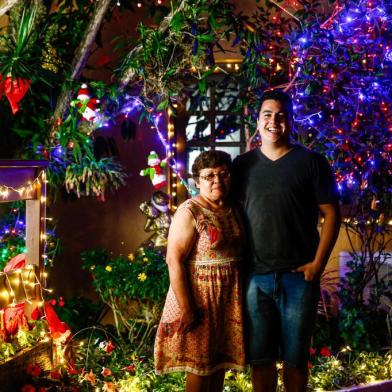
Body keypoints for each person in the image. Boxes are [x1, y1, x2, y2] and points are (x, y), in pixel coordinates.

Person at [231, 90, 341, 392]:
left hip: (299, 277)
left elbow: (332, 214)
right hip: (255, 278)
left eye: (281, 115)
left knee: (296, 362)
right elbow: (225, 212)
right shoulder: (241, 166)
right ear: (257, 121)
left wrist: (318, 265)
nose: (273, 121)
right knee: (261, 361)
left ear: (290, 122)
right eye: (267, 114)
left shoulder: (312, 162)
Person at [154, 150, 246, 392]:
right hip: (199, 299)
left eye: (223, 174)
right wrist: (187, 308)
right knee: (200, 369)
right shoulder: (189, 211)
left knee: (218, 366)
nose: (217, 180)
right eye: (209, 176)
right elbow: (174, 261)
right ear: (197, 181)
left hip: (227, 299)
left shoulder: (234, 208)